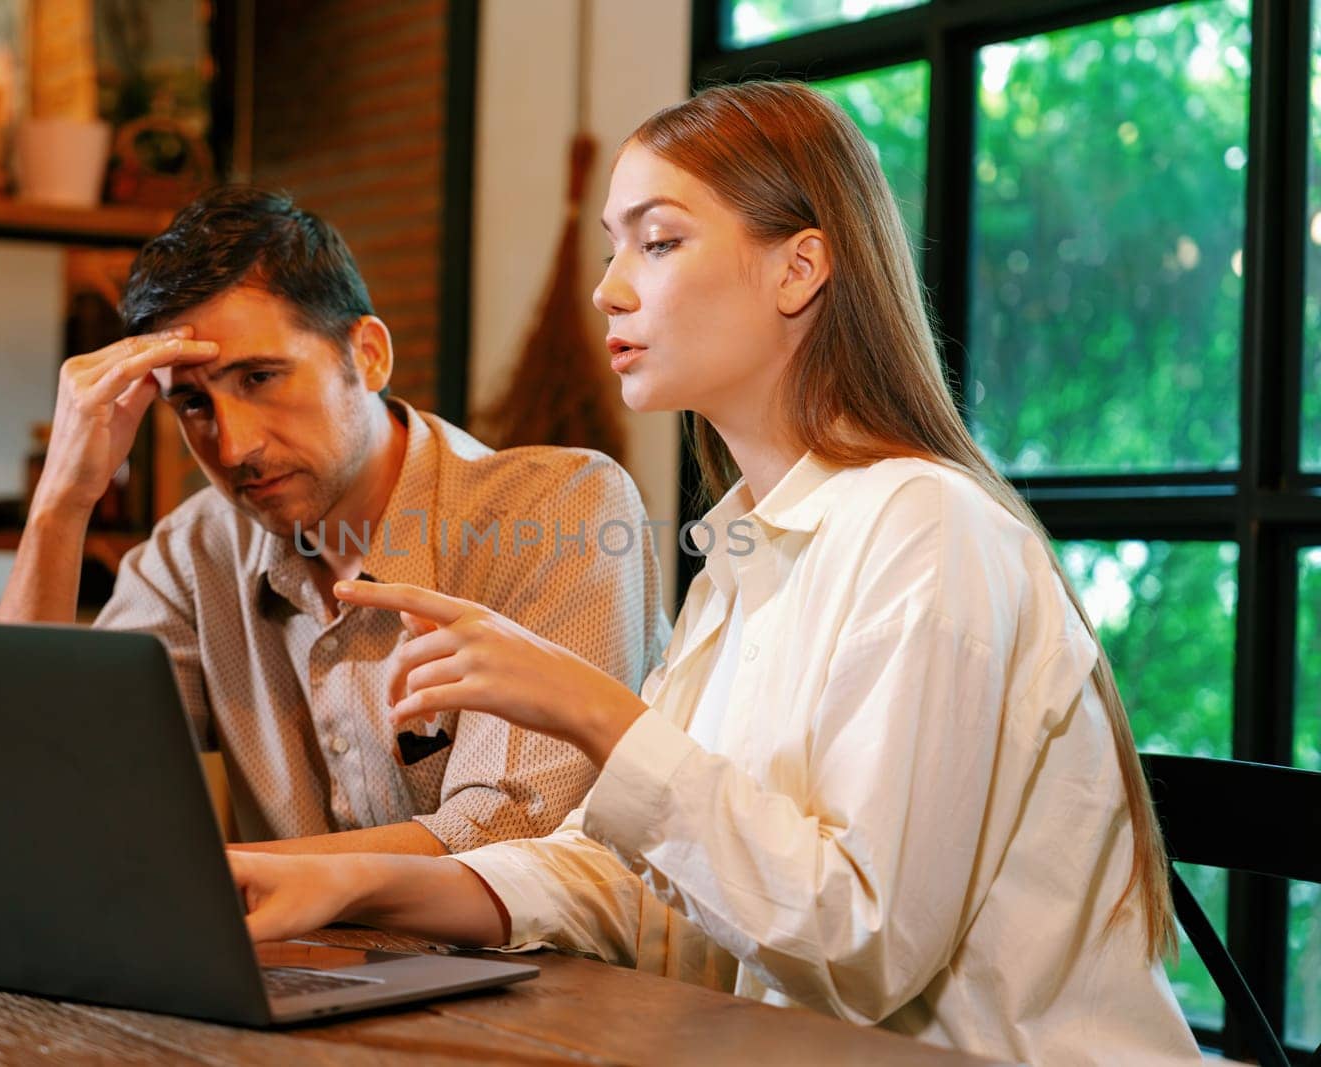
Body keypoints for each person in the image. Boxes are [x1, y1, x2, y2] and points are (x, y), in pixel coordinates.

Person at [221, 82, 1202, 1064]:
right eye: (614, 244)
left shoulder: (928, 531)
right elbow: (639, 887)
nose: (609, 287)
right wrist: (347, 884)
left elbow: (859, 944)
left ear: (798, 268)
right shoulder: (748, 550)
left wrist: (595, 710)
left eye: (657, 241)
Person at [0, 187, 668, 858]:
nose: (232, 448)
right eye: (194, 404)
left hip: (550, 965)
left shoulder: (559, 514)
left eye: (260, 377)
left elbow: (513, 844)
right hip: (301, 961)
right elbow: (35, 776)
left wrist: (214, 879)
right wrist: (62, 503)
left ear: (369, 355)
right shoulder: (195, 551)